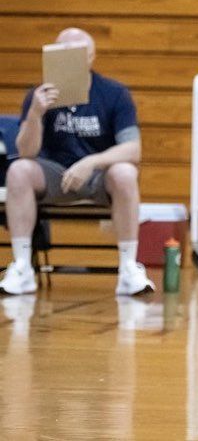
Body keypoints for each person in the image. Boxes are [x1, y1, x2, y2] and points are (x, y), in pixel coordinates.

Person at [0, 27, 155, 298]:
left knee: (125, 172)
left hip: (99, 175)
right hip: (55, 174)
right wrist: (36, 113)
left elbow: (133, 149)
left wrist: (92, 162)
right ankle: (22, 267)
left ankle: (128, 268)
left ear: (90, 58)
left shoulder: (114, 93)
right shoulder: (38, 95)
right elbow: (26, 152)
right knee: (18, 170)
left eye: (74, 53)